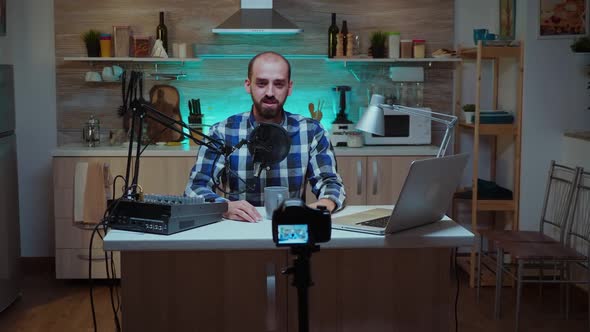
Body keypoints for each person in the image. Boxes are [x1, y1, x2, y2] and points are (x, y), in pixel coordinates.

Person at [185, 51, 345, 222]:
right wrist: (223, 206)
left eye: (279, 84)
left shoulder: (312, 131)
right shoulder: (221, 131)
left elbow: (330, 183)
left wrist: (319, 207)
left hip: (291, 230)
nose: (270, 92)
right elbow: (195, 188)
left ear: (289, 88)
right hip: (238, 231)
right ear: (248, 85)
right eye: (261, 83)